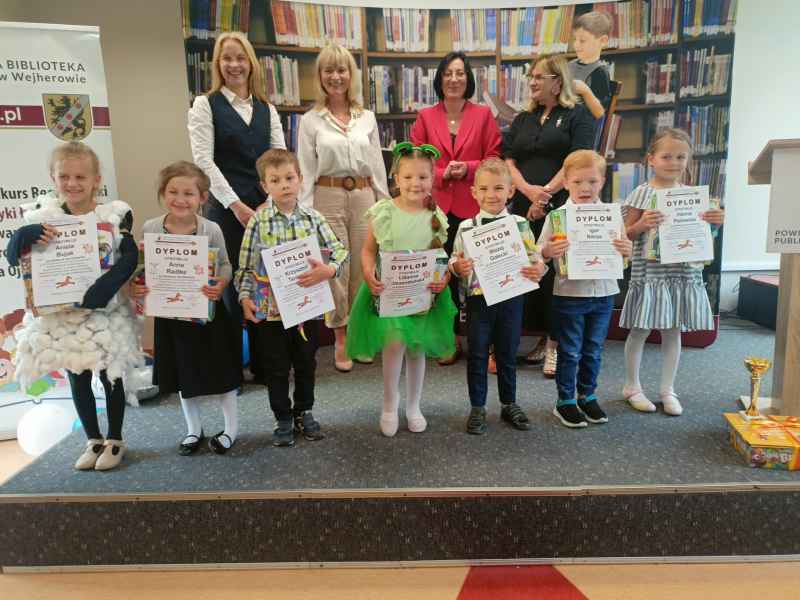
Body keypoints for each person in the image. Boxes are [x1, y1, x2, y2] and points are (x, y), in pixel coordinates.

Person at [7, 142, 140, 470]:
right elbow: (13, 257)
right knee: (77, 374)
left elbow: (129, 257)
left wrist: (105, 288)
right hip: (63, 316)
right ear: (52, 178)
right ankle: (93, 439)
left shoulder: (112, 216)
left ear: (96, 180)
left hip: (105, 313)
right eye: (64, 176)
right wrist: (23, 236)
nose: (72, 183)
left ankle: (115, 439)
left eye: (81, 176)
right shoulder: (42, 217)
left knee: (111, 375)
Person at [187, 31, 286, 385]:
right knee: (228, 289)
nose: (234, 65)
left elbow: (278, 159)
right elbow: (203, 162)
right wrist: (237, 205)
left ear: (251, 64)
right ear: (218, 64)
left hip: (264, 208)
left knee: (263, 282)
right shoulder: (205, 105)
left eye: (240, 58)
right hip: (224, 210)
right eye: (227, 58)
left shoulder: (267, 108)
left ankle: (264, 365)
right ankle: (229, 371)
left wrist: (268, 202)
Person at [235, 149, 348, 447]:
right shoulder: (258, 222)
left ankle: (304, 411)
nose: (284, 185)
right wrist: (245, 297)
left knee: (306, 363)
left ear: (300, 179)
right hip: (271, 311)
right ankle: (282, 417)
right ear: (265, 185)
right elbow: (245, 267)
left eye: (289, 178)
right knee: (275, 367)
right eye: (275, 180)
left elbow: (339, 251)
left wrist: (329, 269)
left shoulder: (313, 218)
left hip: (307, 308)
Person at [345, 143, 457, 437]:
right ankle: (389, 404)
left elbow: (440, 255)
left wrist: (443, 278)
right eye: (407, 177)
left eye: (422, 177)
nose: (415, 183)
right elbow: (368, 251)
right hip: (390, 292)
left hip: (423, 293)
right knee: (394, 344)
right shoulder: (384, 211)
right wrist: (368, 272)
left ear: (432, 178)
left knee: (417, 348)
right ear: (396, 178)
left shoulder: (435, 215)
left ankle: (413, 405)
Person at [132, 162, 241, 455]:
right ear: (162, 193)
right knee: (184, 374)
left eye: (189, 193)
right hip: (171, 318)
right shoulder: (151, 228)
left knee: (222, 374)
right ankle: (194, 429)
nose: (180, 199)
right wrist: (139, 285)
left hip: (209, 316)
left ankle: (231, 428)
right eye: (173, 192)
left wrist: (221, 283)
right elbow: (143, 271)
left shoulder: (211, 229)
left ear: (202, 197)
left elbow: (226, 266)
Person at [297, 43, 389, 373]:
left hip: (363, 194)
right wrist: (304, 214)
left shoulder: (367, 118)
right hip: (327, 195)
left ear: (352, 75)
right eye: (329, 70)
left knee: (363, 265)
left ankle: (360, 332)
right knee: (337, 266)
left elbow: (376, 164)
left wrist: (384, 205)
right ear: (320, 76)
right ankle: (341, 336)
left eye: (342, 69)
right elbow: (306, 169)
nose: (335, 76)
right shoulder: (310, 121)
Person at [620, 128, 725, 416]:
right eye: (667, 156)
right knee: (640, 328)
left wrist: (715, 223)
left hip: (681, 273)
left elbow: (704, 237)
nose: (674, 162)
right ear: (651, 159)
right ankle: (631, 386)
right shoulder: (641, 193)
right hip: (650, 274)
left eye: (681, 157)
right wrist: (641, 225)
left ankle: (667, 389)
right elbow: (625, 234)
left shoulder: (693, 196)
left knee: (673, 329)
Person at [503, 54, 595, 377]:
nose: (532, 82)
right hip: (522, 207)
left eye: (538, 77)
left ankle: (554, 345)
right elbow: (508, 159)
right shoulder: (523, 119)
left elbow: (577, 161)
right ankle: (536, 337)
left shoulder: (577, 116)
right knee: (527, 271)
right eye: (531, 76)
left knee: (556, 276)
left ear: (558, 82)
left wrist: (544, 195)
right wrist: (527, 191)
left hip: (560, 207)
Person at [411, 51, 503, 366]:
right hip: (437, 206)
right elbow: (415, 161)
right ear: (440, 79)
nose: (454, 79)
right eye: (448, 73)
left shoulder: (483, 115)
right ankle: (447, 339)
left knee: (482, 273)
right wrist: (441, 174)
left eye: (460, 73)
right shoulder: (426, 117)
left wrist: (469, 168)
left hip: (476, 204)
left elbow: (494, 158)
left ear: (468, 78)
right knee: (441, 274)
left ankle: (488, 345)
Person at [449, 158, 546, 435]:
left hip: (511, 298)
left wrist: (539, 267)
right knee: (478, 353)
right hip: (479, 301)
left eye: (498, 188)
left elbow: (535, 257)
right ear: (474, 192)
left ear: (511, 191)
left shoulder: (519, 224)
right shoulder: (466, 227)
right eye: (484, 189)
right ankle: (477, 407)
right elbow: (454, 260)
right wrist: (458, 267)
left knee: (507, 352)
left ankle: (509, 403)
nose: (491, 195)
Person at [538, 150, 632, 428]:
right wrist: (548, 251)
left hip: (604, 294)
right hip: (570, 295)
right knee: (569, 351)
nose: (585, 188)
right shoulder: (557, 217)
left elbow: (623, 260)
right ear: (566, 182)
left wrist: (627, 251)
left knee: (593, 350)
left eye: (592, 181)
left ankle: (587, 395)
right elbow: (539, 253)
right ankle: (565, 401)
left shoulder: (612, 216)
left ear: (602, 182)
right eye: (577, 182)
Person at [569, 11, 613, 120]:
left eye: (582, 41)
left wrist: (585, 91)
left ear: (603, 41)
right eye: (575, 39)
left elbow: (599, 113)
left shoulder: (600, 72)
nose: (576, 45)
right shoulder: (569, 66)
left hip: (582, 125)